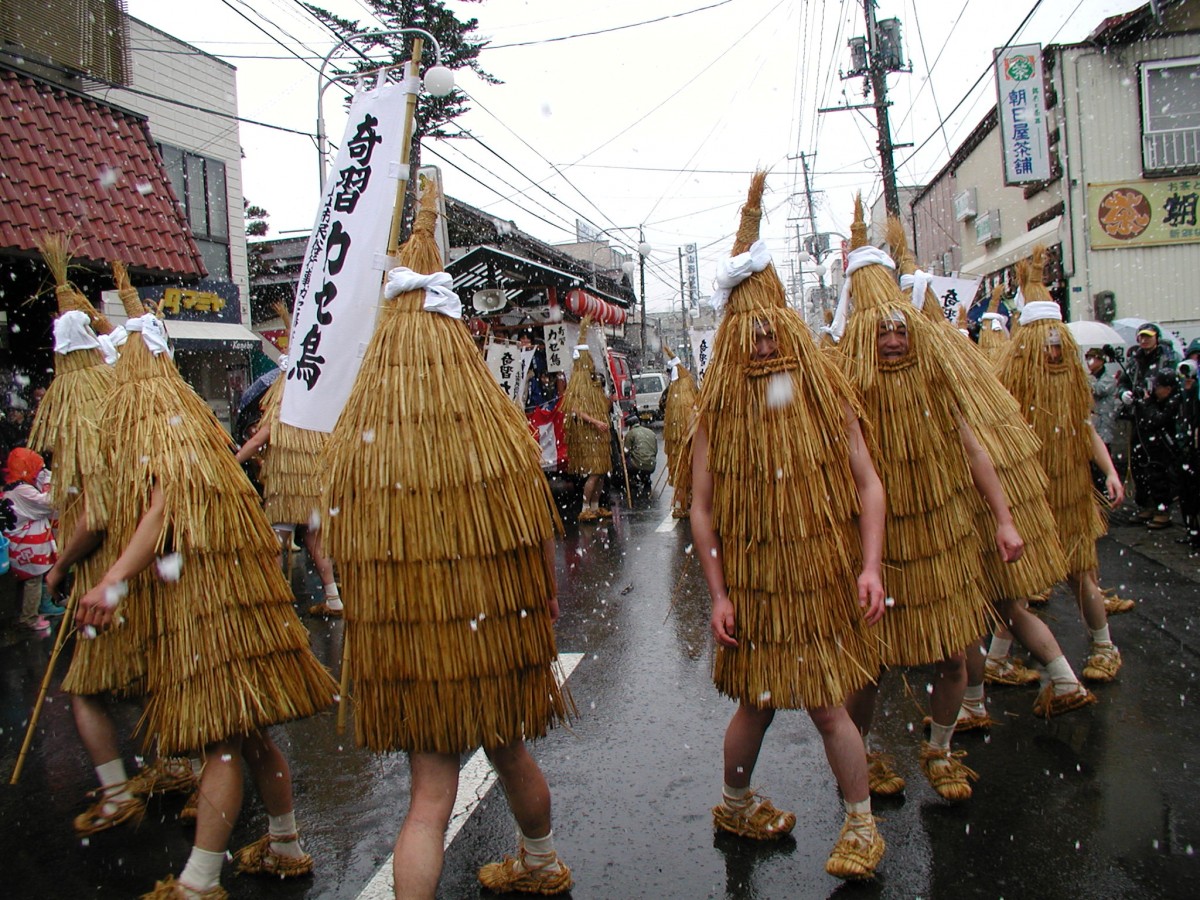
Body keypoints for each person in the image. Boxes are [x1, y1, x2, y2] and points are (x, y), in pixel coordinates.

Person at [322, 188, 573, 898]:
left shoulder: (365, 439)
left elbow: (346, 553)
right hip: (489, 631)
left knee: (429, 797)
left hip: (415, 644)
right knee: (511, 750)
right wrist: (545, 603)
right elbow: (534, 530)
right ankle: (543, 861)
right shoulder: (489, 427)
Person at [57, 304, 337, 899]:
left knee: (226, 743)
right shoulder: (190, 419)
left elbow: (164, 507)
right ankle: (284, 842)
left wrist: (114, 580)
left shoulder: (157, 422)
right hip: (240, 595)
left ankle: (200, 878)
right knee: (253, 732)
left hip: (216, 602)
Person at [692, 173, 887, 881]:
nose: (766, 336)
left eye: (773, 324)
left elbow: (870, 485)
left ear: (791, 324)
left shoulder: (825, 392)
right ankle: (735, 802)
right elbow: (702, 510)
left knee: (828, 704)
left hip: (819, 575)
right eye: (752, 329)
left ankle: (862, 825)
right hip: (754, 586)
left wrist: (869, 565)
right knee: (757, 700)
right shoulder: (717, 413)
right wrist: (717, 592)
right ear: (733, 333)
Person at [836, 203, 1022, 805]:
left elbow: (973, 453)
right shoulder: (845, 390)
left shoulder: (936, 379)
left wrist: (1003, 519)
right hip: (879, 550)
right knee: (872, 667)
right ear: (865, 333)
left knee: (953, 659)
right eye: (881, 331)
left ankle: (939, 748)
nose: (892, 340)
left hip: (942, 542)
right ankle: (859, 754)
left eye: (899, 329)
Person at [997, 247, 1126, 692]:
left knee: (1082, 573)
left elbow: (1086, 428)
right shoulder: (1010, 380)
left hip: (1071, 490)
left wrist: (1109, 471)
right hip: (1032, 494)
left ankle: (1104, 646)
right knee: (1014, 584)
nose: (1054, 353)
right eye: (1047, 347)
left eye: (1058, 346)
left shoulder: (1073, 379)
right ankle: (997, 660)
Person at [234, 356, 342, 617]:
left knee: (277, 542)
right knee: (315, 540)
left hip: (286, 489)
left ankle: (278, 599)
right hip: (312, 486)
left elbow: (257, 440)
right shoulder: (313, 411)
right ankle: (333, 597)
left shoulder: (284, 410)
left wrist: (234, 461)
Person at [562, 324, 614, 522]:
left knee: (601, 472)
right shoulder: (577, 383)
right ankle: (585, 507)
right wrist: (594, 422)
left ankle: (595, 505)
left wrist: (611, 402)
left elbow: (602, 405)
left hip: (600, 433)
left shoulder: (594, 382)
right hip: (589, 434)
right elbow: (574, 409)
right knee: (594, 472)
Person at [1120, 366, 1182, 529]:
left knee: (1160, 476)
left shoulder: (1174, 400)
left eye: (1158, 387)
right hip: (1145, 444)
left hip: (1162, 446)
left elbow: (1157, 420)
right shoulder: (1154, 399)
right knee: (1142, 474)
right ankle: (1147, 505)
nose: (1155, 390)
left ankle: (1162, 510)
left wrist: (1146, 403)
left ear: (1168, 388)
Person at [2, 448, 57, 631]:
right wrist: (49, 481)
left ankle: (22, 614)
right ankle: (29, 618)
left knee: (25, 581)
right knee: (33, 579)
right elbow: (48, 503)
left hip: (17, 541)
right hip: (26, 544)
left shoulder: (12, 488)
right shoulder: (23, 490)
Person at [1177, 358, 1200, 549]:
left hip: (1195, 449)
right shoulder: (1184, 394)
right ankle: (1192, 530)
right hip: (1186, 449)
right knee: (1188, 493)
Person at [1124, 322, 1179, 392]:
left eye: (1148, 337)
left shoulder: (1169, 359)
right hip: (1137, 401)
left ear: (1157, 338)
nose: (1144, 340)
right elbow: (1124, 382)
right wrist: (1123, 393)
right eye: (1142, 337)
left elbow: (1175, 385)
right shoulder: (1134, 360)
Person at [622, 412, 657, 495]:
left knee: (625, 461)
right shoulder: (650, 432)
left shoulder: (630, 433)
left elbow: (626, 451)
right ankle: (646, 478)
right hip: (651, 465)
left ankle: (632, 481)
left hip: (637, 465)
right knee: (644, 460)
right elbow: (655, 451)